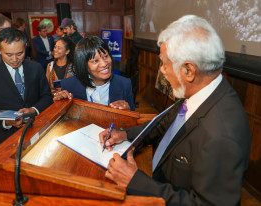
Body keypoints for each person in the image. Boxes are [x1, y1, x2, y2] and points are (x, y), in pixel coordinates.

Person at [99, 15, 251, 205]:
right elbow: (163, 125)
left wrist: (135, 181)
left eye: (165, 63)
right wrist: (125, 135)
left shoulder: (222, 135)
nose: (162, 70)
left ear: (189, 70)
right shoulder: (201, 90)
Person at [0, 27, 53, 151]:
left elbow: (47, 96)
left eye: (19, 54)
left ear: (25, 47)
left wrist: (33, 110)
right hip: (6, 138)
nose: (14, 60)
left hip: (37, 130)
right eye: (9, 55)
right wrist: (6, 121)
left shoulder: (36, 68)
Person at [53, 35, 135, 111]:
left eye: (105, 56)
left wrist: (128, 112)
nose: (104, 64)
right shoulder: (68, 86)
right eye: (95, 61)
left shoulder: (124, 84)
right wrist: (60, 105)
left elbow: (133, 122)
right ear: (83, 65)